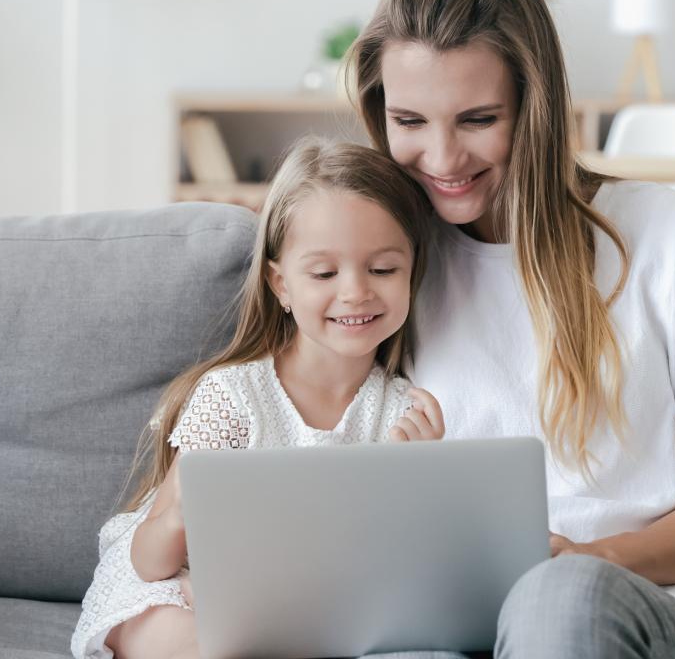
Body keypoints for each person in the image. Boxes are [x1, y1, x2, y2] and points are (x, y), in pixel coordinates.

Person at [347, 0, 675, 659]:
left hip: (646, 606)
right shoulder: (384, 265)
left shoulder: (671, 235)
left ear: (536, 106)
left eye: (478, 118)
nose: (443, 158)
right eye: (410, 121)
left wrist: (592, 558)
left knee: (559, 597)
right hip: (455, 622)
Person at [70, 138, 446, 659]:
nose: (356, 292)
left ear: (412, 272)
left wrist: (420, 479)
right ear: (281, 284)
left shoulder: (404, 414)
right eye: (323, 273)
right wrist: (182, 513)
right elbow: (148, 563)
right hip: (176, 587)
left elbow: (398, 572)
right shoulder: (233, 396)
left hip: (300, 606)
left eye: (383, 269)